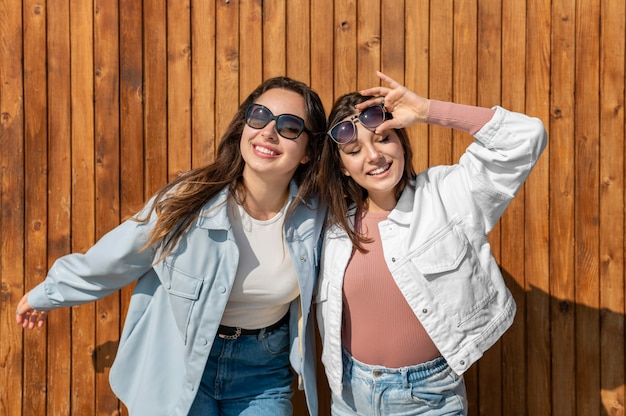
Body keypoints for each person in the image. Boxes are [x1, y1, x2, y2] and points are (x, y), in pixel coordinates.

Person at [16, 76, 327, 416]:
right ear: (244, 126)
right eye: (259, 116)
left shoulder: (317, 218)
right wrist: (47, 294)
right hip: (181, 364)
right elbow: (115, 258)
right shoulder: (189, 202)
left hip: (263, 371)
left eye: (289, 126)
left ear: (308, 152)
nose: (268, 131)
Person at [315, 71, 547, 415]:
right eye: (354, 150)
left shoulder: (446, 193)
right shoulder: (332, 226)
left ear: (401, 142)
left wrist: (426, 110)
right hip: (349, 396)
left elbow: (525, 137)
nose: (373, 156)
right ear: (344, 167)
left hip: (427, 398)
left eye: (383, 139)